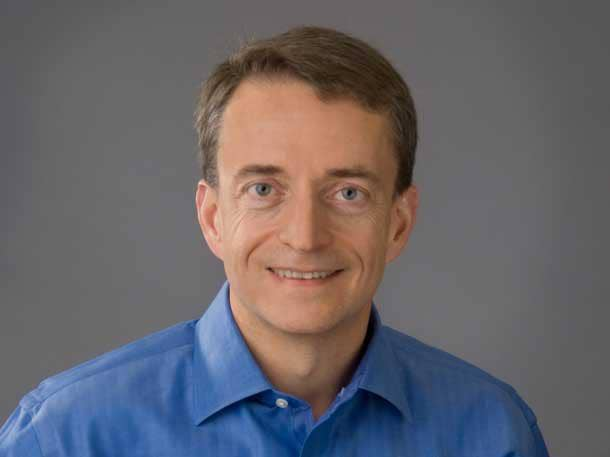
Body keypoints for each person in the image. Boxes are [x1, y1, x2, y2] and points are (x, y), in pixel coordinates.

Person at [0, 26, 550, 456]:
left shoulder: (492, 432)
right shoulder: (67, 438)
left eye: (348, 193)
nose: (305, 237)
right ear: (213, 217)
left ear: (398, 223)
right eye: (264, 189)